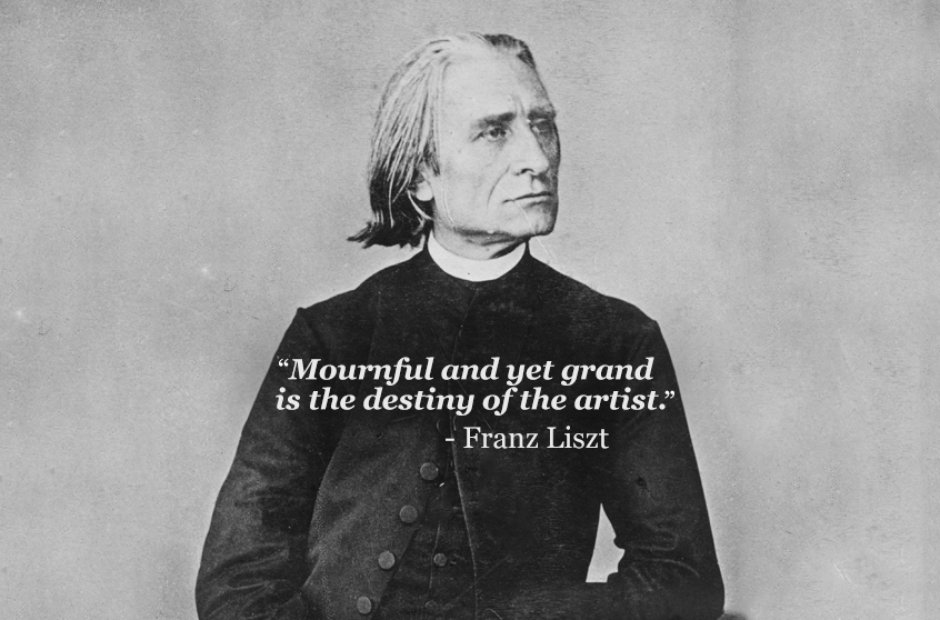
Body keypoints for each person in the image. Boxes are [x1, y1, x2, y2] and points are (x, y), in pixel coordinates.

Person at [196, 32, 724, 619]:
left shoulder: (614, 342)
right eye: (494, 131)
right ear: (421, 174)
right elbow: (239, 578)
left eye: (543, 125)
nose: (538, 158)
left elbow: (683, 581)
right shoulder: (332, 336)